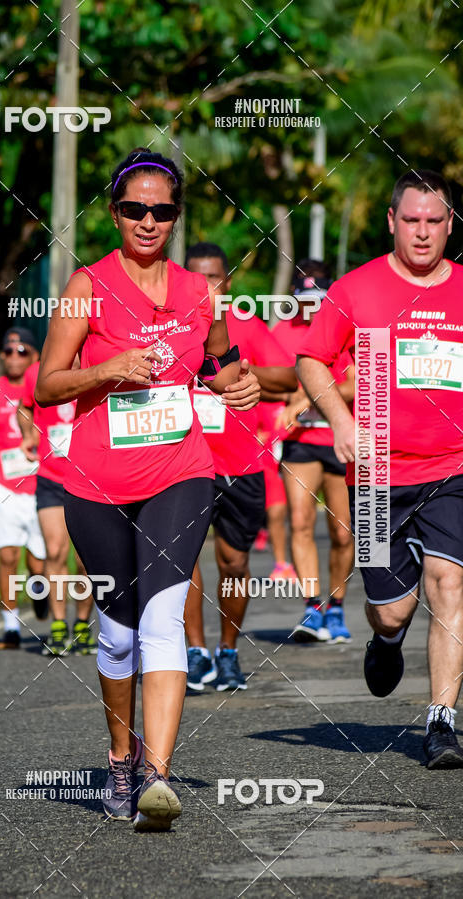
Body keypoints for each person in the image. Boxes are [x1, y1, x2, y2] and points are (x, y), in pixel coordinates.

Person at [35, 148, 261, 830]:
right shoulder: (88, 285)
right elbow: (47, 383)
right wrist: (108, 368)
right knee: (117, 633)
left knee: (164, 615)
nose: (147, 220)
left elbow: (223, 361)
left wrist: (235, 382)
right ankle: (118, 756)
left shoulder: (200, 292)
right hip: (96, 481)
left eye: (161, 210)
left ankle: (156, 777)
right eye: (134, 208)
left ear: (175, 218)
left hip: (180, 472)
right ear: (114, 212)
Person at [297, 170, 463, 768]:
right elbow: (311, 359)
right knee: (394, 606)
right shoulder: (356, 289)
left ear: (450, 225)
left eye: (435, 221)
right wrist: (341, 421)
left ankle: (441, 724)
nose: (423, 233)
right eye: (411, 220)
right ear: (392, 221)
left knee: (451, 584)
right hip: (374, 476)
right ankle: (387, 637)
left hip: (453, 468)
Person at [183, 242, 297, 692]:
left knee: (233, 561)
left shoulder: (246, 325)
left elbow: (288, 379)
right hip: (186, 461)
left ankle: (228, 653)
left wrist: (244, 374)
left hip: (240, 464)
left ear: (228, 282)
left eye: (215, 278)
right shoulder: (172, 329)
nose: (208, 287)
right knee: (183, 560)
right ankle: (195, 653)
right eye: (199, 278)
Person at [274, 262, 355, 644]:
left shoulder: (347, 330)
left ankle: (337, 608)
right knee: (301, 522)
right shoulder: (282, 333)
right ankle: (312, 607)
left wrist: (308, 395)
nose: (312, 310)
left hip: (341, 441)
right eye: (304, 302)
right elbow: (272, 380)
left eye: (319, 302)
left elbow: (357, 384)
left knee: (342, 533)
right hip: (301, 442)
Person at [0, 328, 46, 649]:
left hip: (42, 486)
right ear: (2, 356)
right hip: (4, 487)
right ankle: (11, 628)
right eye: (9, 351)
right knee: (7, 557)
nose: (14, 357)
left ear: (35, 357)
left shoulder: (45, 387)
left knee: (38, 562)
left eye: (22, 351)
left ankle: (40, 590)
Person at [18, 361, 97, 655]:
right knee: (55, 551)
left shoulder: (97, 362)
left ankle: (81, 624)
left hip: (90, 476)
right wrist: (29, 434)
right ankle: (59, 625)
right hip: (50, 476)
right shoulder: (36, 371)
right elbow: (24, 406)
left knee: (86, 557)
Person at [253, 398, 298, 583]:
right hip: (270, 465)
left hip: (296, 462)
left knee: (299, 517)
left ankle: (298, 563)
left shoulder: (298, 400)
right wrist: (255, 436)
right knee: (276, 512)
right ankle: (281, 564)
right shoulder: (261, 402)